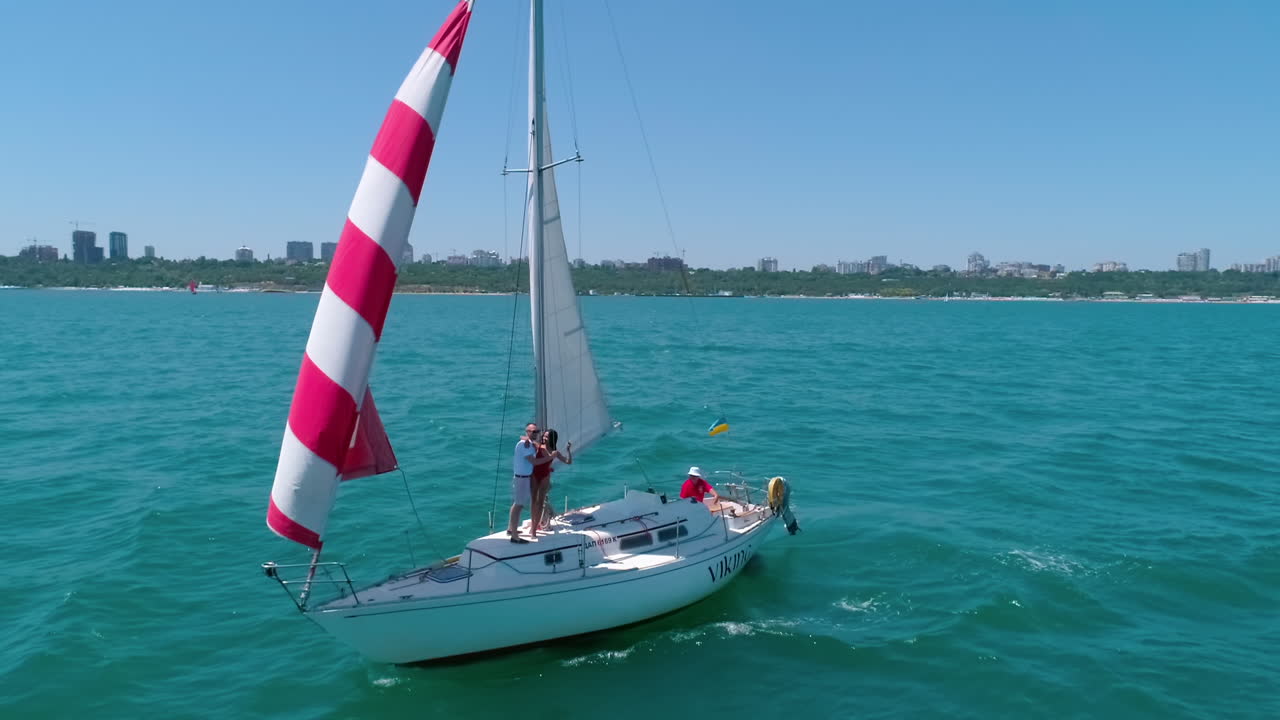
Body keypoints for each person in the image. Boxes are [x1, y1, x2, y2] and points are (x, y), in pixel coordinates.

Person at [508, 422, 546, 543]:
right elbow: (534, 462)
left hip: (524, 478)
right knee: (518, 505)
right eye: (532, 431)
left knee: (517, 504)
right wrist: (550, 458)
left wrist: (535, 444)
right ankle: (514, 536)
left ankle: (511, 529)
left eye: (537, 431)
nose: (535, 434)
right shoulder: (525, 445)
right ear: (527, 432)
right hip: (522, 478)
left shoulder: (529, 444)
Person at [530, 429, 572, 535]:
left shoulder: (555, 452)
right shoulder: (538, 446)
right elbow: (525, 440)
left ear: (552, 438)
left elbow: (568, 462)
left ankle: (534, 529)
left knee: (540, 503)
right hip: (534, 475)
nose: (544, 438)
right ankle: (533, 524)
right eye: (544, 436)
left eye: (547, 437)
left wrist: (568, 450)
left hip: (544, 477)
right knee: (534, 502)